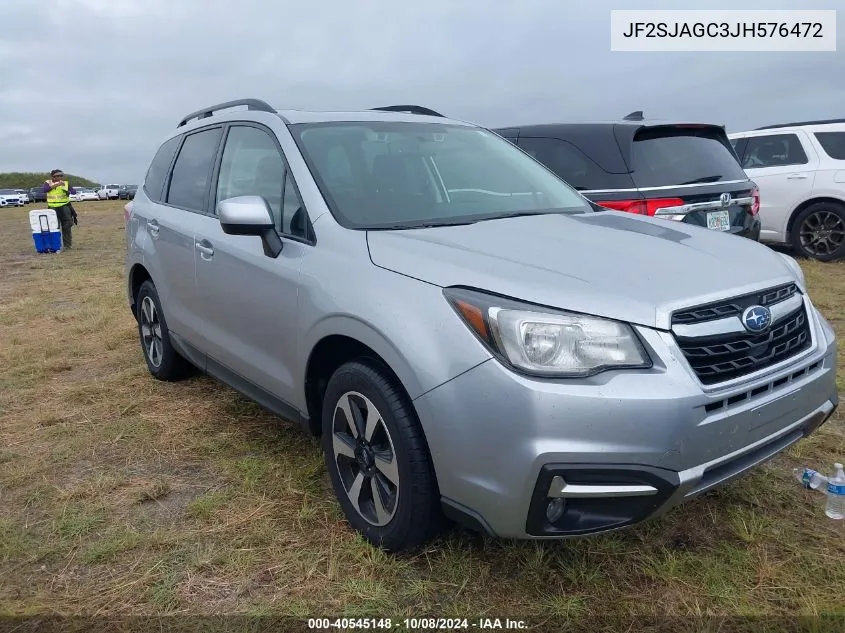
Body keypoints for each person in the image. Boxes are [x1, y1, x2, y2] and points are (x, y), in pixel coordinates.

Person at [41, 169, 78, 249]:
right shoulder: (48, 183)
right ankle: (56, 245)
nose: (59, 177)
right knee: (54, 227)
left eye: (61, 176)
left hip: (65, 207)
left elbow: (74, 191)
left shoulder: (65, 183)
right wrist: (57, 185)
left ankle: (67, 246)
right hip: (53, 208)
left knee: (67, 226)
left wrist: (70, 191)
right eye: (57, 176)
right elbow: (45, 190)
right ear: (52, 177)